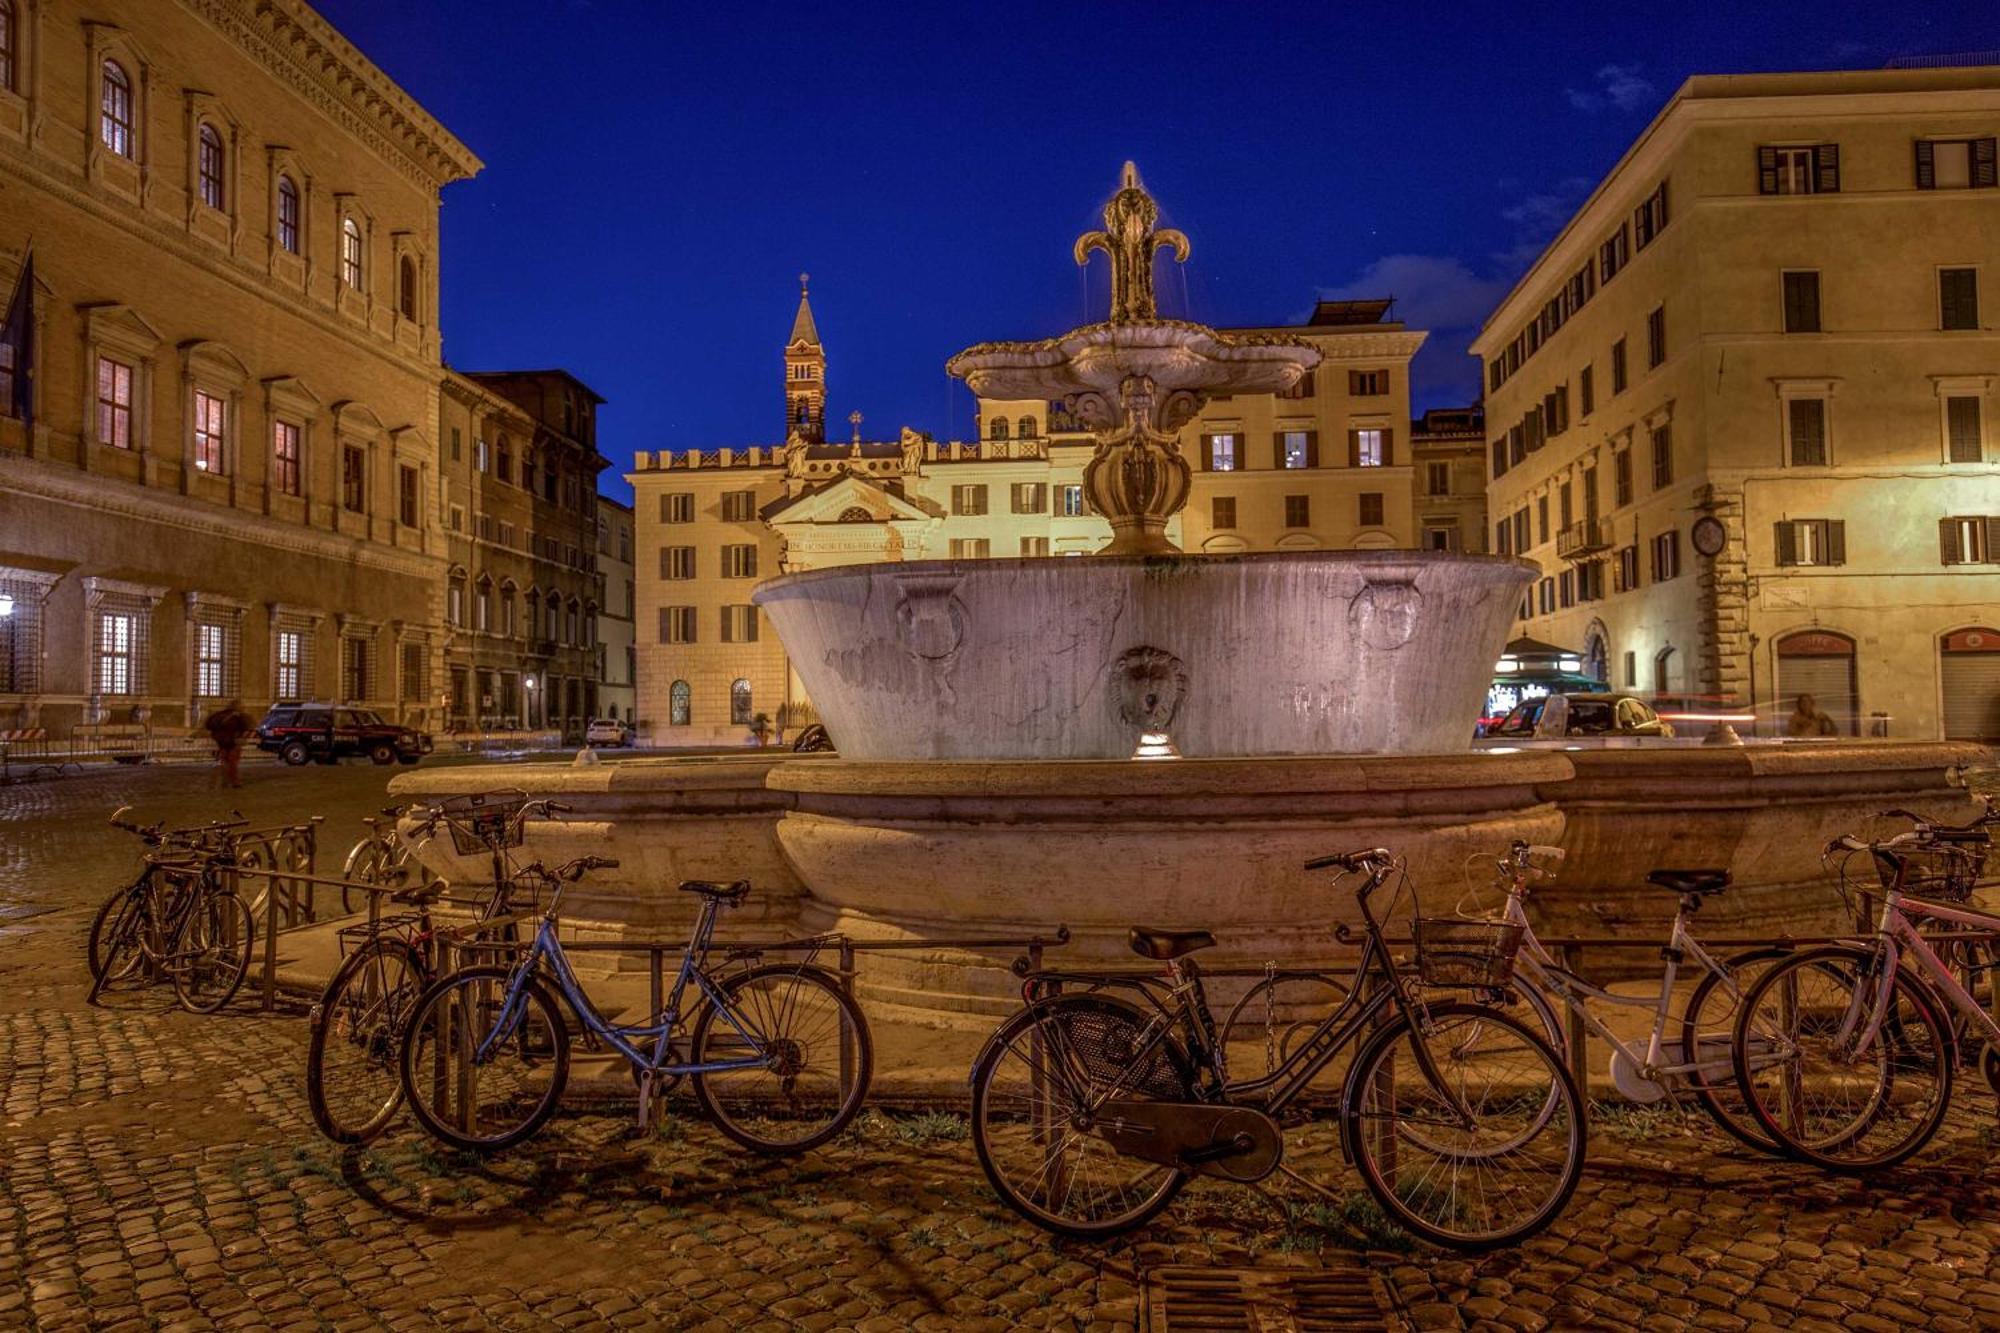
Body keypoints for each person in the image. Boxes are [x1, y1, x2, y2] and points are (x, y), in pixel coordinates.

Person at [202, 698, 252, 788]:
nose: (243, 708)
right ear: (237, 707)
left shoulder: (219, 715)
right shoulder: (237, 717)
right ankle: (234, 782)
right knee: (233, 763)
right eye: (241, 706)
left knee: (225, 762)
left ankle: (225, 781)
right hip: (233, 742)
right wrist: (242, 739)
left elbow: (209, 725)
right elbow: (245, 729)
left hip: (221, 742)